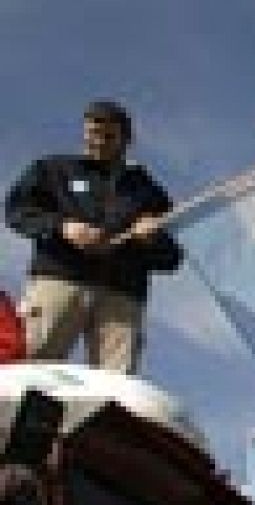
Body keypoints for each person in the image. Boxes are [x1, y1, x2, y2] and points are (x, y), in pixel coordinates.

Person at [4, 100, 183, 373]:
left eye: (108, 136)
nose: (98, 142)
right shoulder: (52, 169)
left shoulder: (148, 191)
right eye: (92, 134)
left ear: (127, 139)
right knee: (32, 369)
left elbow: (172, 257)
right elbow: (16, 211)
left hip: (122, 295)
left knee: (117, 383)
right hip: (58, 281)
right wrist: (62, 226)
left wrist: (153, 239)